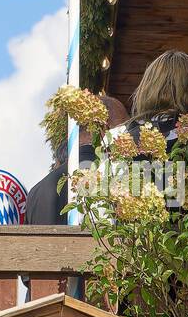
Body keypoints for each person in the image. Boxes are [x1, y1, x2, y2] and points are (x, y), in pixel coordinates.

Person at [27, 95, 129, 225]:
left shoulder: (36, 192)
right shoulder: (113, 175)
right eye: (123, 129)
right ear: (104, 126)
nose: (127, 138)